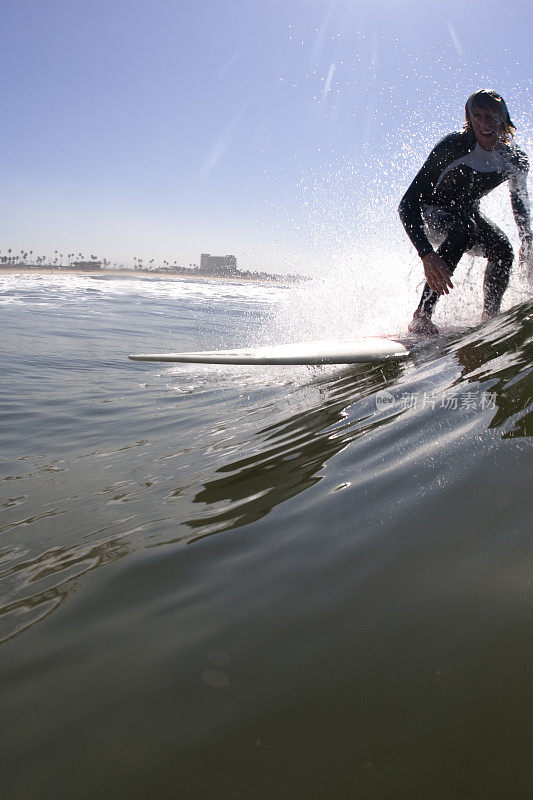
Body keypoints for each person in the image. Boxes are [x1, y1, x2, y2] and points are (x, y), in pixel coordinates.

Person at [399, 89, 532, 335]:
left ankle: (490, 316)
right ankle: (422, 315)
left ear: (504, 120)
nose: (485, 124)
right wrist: (426, 255)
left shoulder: (515, 160)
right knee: (464, 227)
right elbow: (407, 203)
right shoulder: (454, 147)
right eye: (478, 116)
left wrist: (527, 238)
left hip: (468, 214)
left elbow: (519, 201)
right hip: (433, 212)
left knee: (502, 248)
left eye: (492, 117)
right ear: (469, 120)